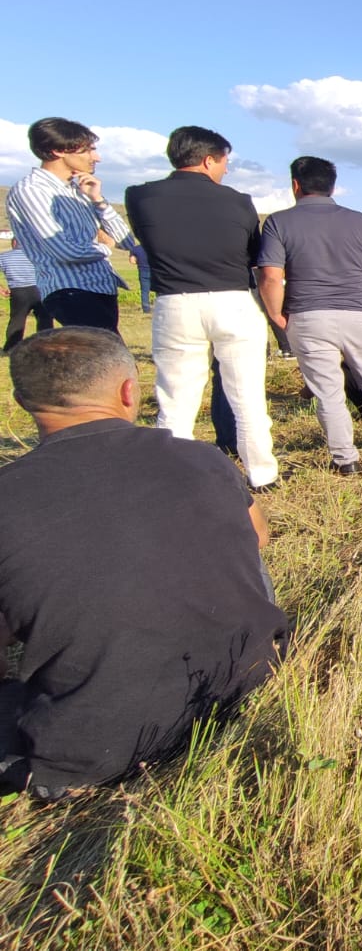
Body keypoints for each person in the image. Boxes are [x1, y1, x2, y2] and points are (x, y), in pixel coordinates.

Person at [0, 328, 286, 799]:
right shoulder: (205, 458)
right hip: (249, 681)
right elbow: (258, 535)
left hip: (96, 751)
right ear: (129, 391)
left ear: (21, 400)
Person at [125, 125, 279, 490]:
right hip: (233, 301)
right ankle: (262, 474)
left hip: (174, 302)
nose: (225, 170)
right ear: (209, 159)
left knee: (175, 399)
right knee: (247, 397)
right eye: (224, 162)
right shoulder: (239, 201)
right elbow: (253, 256)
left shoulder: (139, 196)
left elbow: (147, 241)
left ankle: (172, 475)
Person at [256, 155, 362, 475]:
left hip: (308, 314)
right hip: (358, 312)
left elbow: (270, 277)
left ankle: (345, 459)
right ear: (332, 186)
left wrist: (275, 315)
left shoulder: (278, 222)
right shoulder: (359, 220)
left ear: (295, 185)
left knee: (328, 390)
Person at [5, 118, 132, 332]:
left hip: (101, 287)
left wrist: (98, 200)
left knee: (111, 359)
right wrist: (105, 247)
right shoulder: (32, 191)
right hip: (70, 290)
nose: (96, 157)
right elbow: (65, 251)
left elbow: (126, 240)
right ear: (58, 151)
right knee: (107, 361)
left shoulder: (78, 190)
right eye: (87, 150)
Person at [1, 238, 50, 352]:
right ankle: (45, 346)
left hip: (19, 291)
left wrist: (1, 289)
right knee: (44, 319)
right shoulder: (37, 255)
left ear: (14, 243)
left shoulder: (4, 257)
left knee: (17, 319)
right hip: (39, 289)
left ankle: (12, 348)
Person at [127, 241, 153, 312]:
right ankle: (159, 307)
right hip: (155, 271)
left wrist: (139, 262)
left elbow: (132, 261)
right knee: (159, 289)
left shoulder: (135, 249)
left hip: (143, 271)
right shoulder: (154, 247)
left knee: (144, 291)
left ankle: (146, 308)